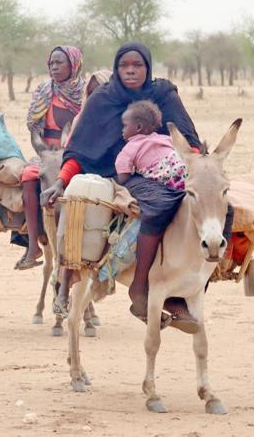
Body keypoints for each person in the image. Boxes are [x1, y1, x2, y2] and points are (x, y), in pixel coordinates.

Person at [42, 42, 231, 333]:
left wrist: (201, 172)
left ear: (148, 67)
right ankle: (140, 288)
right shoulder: (103, 100)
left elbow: (187, 138)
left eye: (137, 65)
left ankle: (195, 284)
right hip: (121, 174)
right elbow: (80, 150)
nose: (130, 70)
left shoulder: (164, 94)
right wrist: (60, 181)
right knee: (158, 208)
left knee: (218, 205)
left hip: (171, 168)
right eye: (124, 66)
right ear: (116, 68)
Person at [15, 45, 85, 271]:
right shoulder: (44, 91)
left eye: (59, 63)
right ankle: (33, 244)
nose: (54, 67)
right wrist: (45, 152)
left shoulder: (85, 93)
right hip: (46, 152)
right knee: (28, 176)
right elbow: (34, 129)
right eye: (51, 63)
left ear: (73, 65)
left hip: (77, 153)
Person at [115, 101, 187, 191]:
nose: (122, 130)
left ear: (138, 127)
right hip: (184, 172)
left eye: (124, 126)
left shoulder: (129, 149)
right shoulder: (165, 138)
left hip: (165, 182)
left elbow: (123, 179)